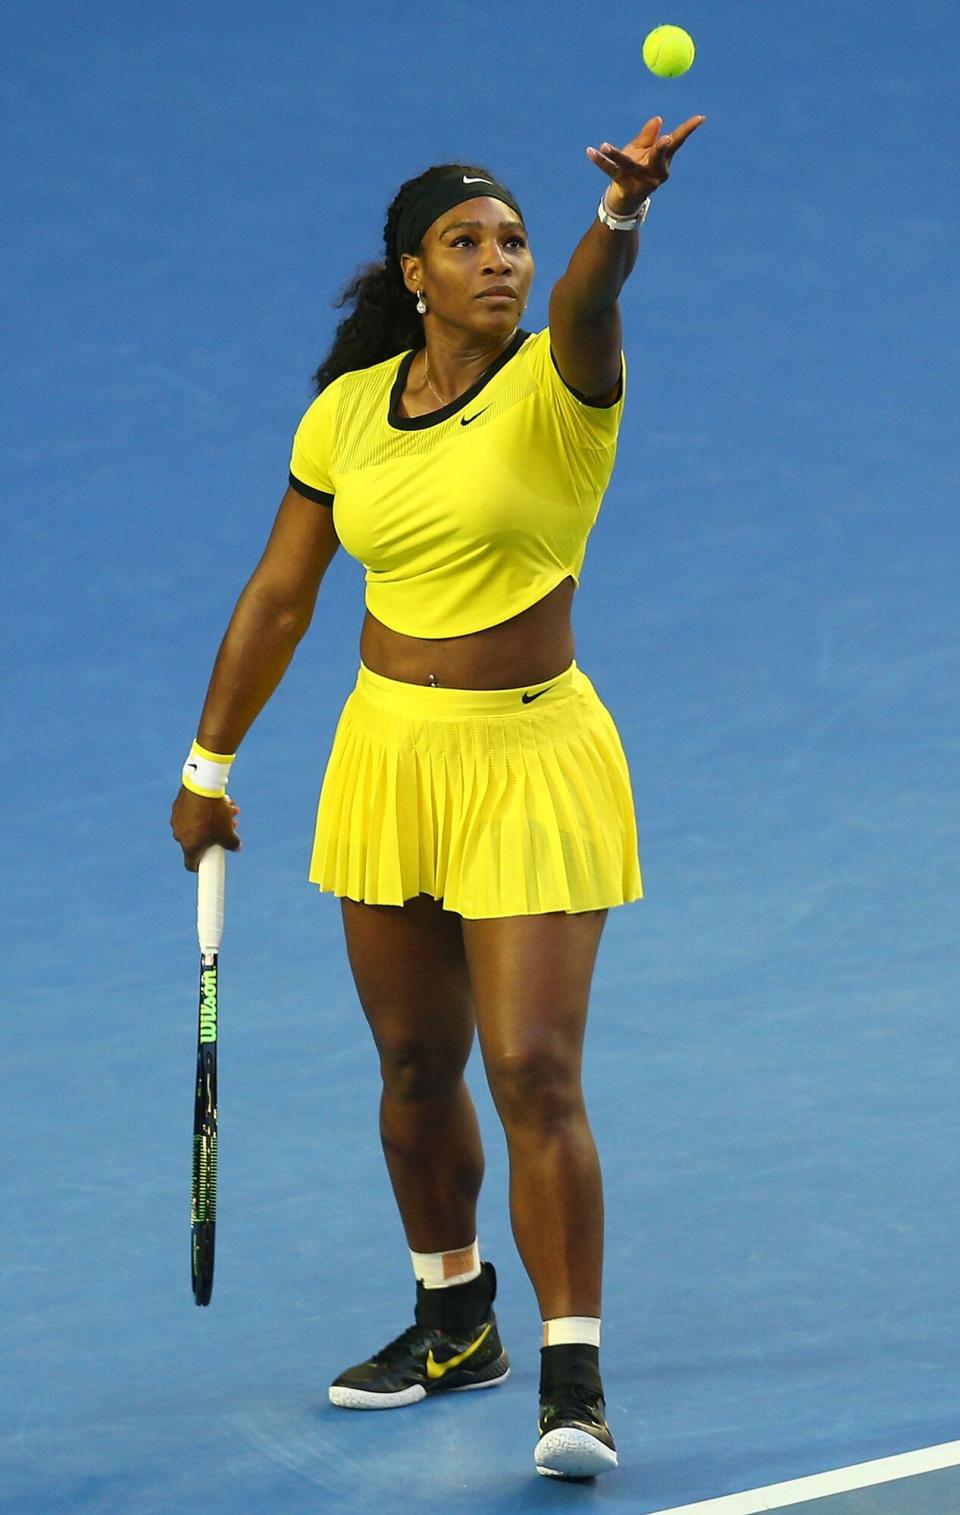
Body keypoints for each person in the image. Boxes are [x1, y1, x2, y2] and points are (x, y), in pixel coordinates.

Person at [171, 112, 705, 1480]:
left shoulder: (563, 382)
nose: (502, 263)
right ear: (412, 269)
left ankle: (572, 1375)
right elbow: (285, 595)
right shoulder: (348, 412)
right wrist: (208, 763)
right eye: (468, 243)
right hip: (389, 758)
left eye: (515, 241)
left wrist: (621, 218)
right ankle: (454, 1315)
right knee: (415, 1069)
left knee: (531, 1067)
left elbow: (594, 298)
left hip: (532, 760)